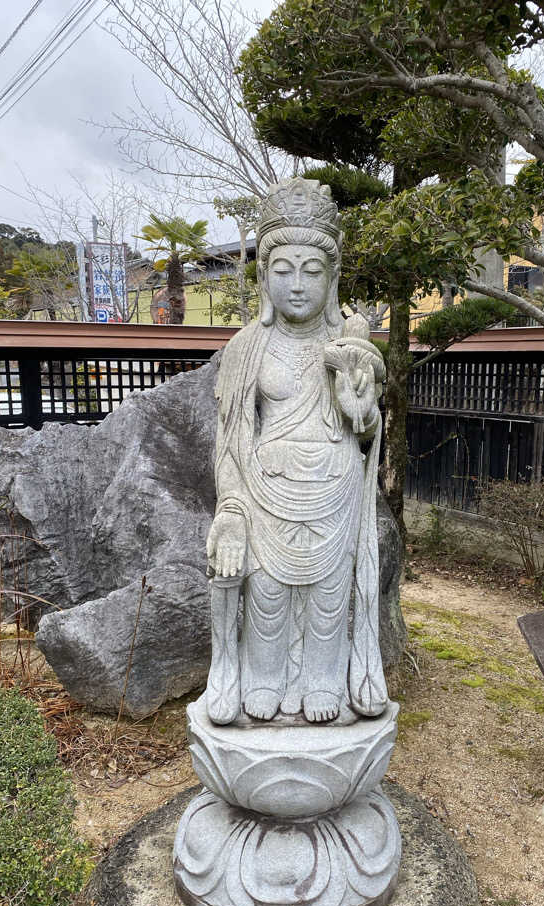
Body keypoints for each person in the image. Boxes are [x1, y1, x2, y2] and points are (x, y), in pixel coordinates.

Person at [204, 177, 389, 726]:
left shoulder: (350, 347)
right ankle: (260, 680)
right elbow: (231, 437)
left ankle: (324, 682)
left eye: (313, 271)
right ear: (264, 278)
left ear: (332, 280)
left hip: (335, 487)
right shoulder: (246, 348)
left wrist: (360, 404)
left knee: (330, 598)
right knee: (266, 594)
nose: (298, 285)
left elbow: (365, 428)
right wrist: (231, 511)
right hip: (264, 488)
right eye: (283, 270)